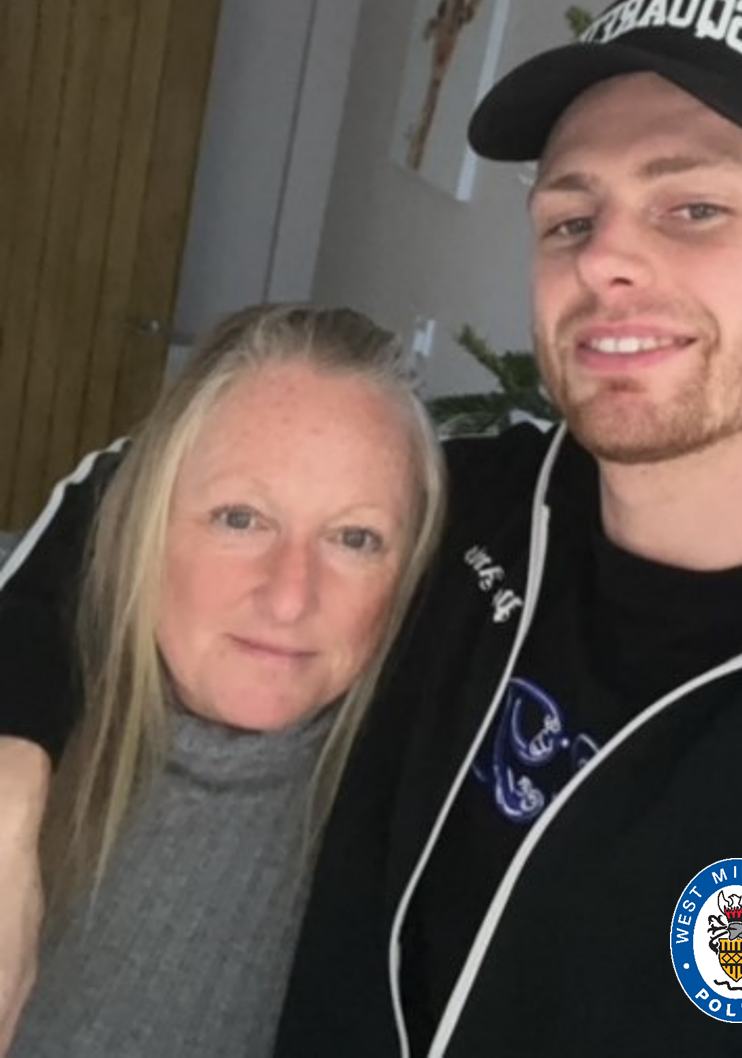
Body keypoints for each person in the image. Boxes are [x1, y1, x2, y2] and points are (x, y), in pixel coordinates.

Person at [2, 0, 742, 1056]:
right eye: (570, 217)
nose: (610, 260)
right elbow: (140, 485)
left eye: (695, 206)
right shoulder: (467, 516)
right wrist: (12, 781)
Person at [0, 302, 445, 1057]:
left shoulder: (423, 824)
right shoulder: (40, 727)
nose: (289, 594)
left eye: (355, 537)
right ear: (146, 521)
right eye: (239, 518)